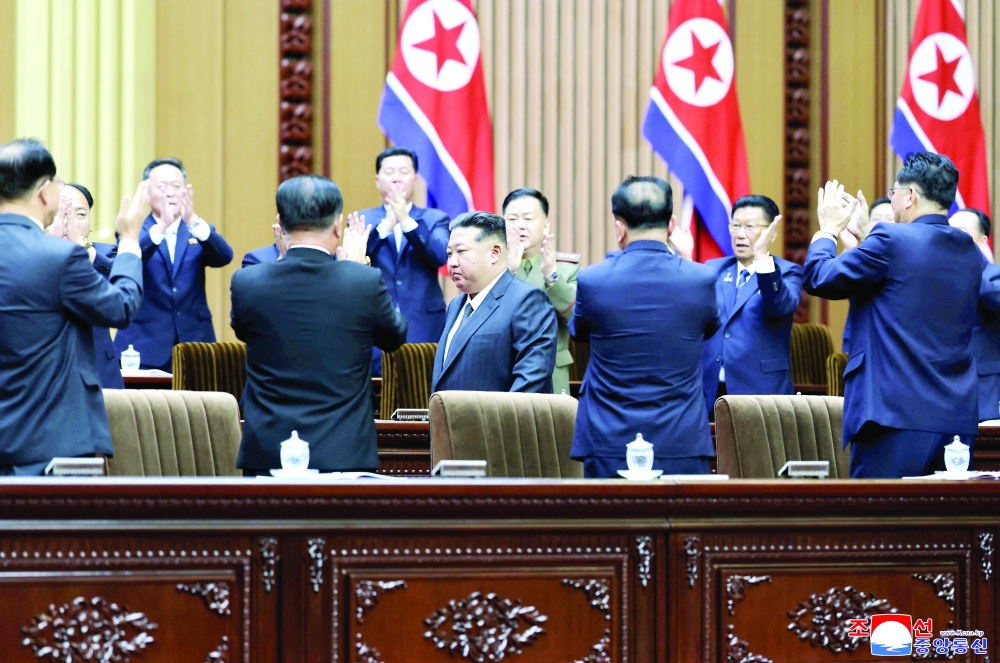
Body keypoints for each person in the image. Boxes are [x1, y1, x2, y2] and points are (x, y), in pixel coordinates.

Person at [803, 152, 982, 478]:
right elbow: (899, 290)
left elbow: (819, 277)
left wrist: (828, 231)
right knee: (944, 526)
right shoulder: (969, 249)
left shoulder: (890, 239)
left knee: (879, 524)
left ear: (910, 196)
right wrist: (864, 239)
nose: (893, 199)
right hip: (955, 420)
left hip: (893, 417)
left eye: (893, 193)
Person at [232, 175, 408, 475]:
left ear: (281, 223)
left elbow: (243, 330)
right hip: (344, 455)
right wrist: (356, 267)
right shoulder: (362, 281)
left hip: (268, 453)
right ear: (338, 225)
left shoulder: (248, 282)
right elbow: (395, 336)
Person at [0, 138, 147, 475]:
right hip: (52, 441)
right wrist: (127, 241)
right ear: (44, 192)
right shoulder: (59, 258)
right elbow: (121, 307)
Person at [570, 176, 720, 478]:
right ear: (671, 225)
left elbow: (579, 333)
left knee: (612, 525)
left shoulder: (592, 280)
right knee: (682, 526)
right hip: (682, 439)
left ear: (620, 226)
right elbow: (708, 330)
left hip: (608, 439)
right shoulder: (701, 280)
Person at [113, 157, 234, 371]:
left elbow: (223, 257)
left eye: (176, 186)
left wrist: (195, 221)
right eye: (161, 186)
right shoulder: (133, 228)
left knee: (198, 406)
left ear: (186, 192)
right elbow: (129, 259)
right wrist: (160, 229)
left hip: (195, 343)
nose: (169, 192)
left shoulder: (197, 230)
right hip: (144, 342)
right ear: (147, 195)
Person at [431, 212, 558, 393]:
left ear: (494, 253)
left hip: (497, 421)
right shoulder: (455, 305)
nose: (452, 262)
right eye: (449, 253)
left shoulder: (527, 301)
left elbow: (530, 382)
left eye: (461, 252)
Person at [701, 195, 802, 416]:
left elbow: (779, 305)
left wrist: (762, 259)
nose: (740, 234)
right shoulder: (714, 270)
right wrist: (682, 257)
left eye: (749, 227)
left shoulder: (786, 272)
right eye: (735, 226)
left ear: (771, 232)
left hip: (761, 394)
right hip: (710, 392)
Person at [360, 147, 450, 373]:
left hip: (424, 324)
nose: (397, 178)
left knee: (422, 392)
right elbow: (357, 259)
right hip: (376, 324)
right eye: (389, 172)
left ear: (415, 179)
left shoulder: (435, 218)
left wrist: (406, 221)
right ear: (377, 180)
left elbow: (439, 256)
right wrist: (386, 226)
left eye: (404, 172)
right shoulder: (364, 219)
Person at [48, 183, 126, 389]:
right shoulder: (30, 255)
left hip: (99, 370)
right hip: (46, 372)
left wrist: (87, 251)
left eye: (80, 214)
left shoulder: (107, 254)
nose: (69, 222)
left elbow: (122, 288)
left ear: (91, 224)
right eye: (61, 213)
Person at [503, 188, 579, 395]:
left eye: (528, 218)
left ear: (545, 226)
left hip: (552, 372)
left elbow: (577, 319)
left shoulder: (566, 268)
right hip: (504, 371)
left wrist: (552, 276)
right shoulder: (491, 268)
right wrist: (507, 272)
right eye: (512, 219)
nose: (520, 225)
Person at [949, 208, 1000, 422]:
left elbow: (996, 302)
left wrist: (969, 265)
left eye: (960, 231)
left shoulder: (993, 274)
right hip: (941, 376)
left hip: (982, 382)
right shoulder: (934, 275)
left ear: (981, 241)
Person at [840, 197, 894, 353]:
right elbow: (841, 286)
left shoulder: (910, 255)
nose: (882, 223)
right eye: (876, 219)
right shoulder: (860, 254)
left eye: (889, 218)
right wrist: (849, 247)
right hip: (860, 345)